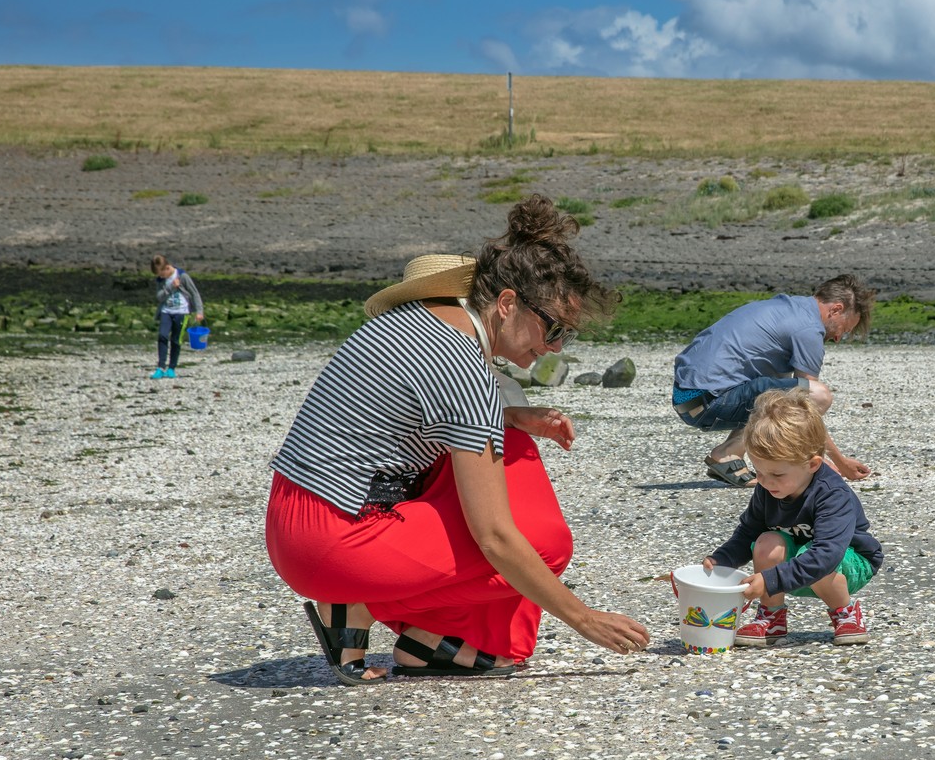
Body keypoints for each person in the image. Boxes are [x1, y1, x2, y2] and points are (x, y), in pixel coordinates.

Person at [263, 195, 651, 685]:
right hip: (334, 541)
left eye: (565, 338)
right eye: (552, 329)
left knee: (512, 447)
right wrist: (583, 618)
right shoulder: (468, 372)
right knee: (545, 543)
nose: (554, 348)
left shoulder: (418, 320)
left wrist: (509, 415)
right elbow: (494, 537)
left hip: (293, 520)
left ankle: (420, 640)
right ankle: (362, 605)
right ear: (507, 303)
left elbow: (405, 415)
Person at [702, 390, 883, 647]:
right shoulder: (767, 488)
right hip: (799, 565)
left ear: (812, 464)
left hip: (849, 562)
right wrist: (721, 560)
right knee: (765, 542)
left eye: (776, 474)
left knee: (812, 552)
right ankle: (771, 617)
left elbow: (826, 554)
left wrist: (770, 580)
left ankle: (844, 613)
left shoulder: (832, 495)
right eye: (759, 471)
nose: (764, 481)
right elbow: (747, 532)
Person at [671, 275, 875, 487]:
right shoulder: (809, 329)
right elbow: (806, 407)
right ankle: (726, 453)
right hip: (709, 400)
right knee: (818, 394)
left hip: (687, 399)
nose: (837, 338)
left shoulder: (785, 307)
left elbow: (784, 396)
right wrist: (840, 464)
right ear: (836, 310)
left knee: (780, 391)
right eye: (845, 329)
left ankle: (732, 453)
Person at [149, 255, 204, 379]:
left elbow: (195, 293)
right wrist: (171, 287)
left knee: (175, 340)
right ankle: (161, 367)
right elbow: (159, 297)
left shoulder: (182, 276)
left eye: (161, 274)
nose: (160, 277)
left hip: (181, 312)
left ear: (167, 268)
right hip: (166, 311)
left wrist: (199, 311)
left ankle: (171, 368)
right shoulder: (161, 280)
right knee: (162, 336)